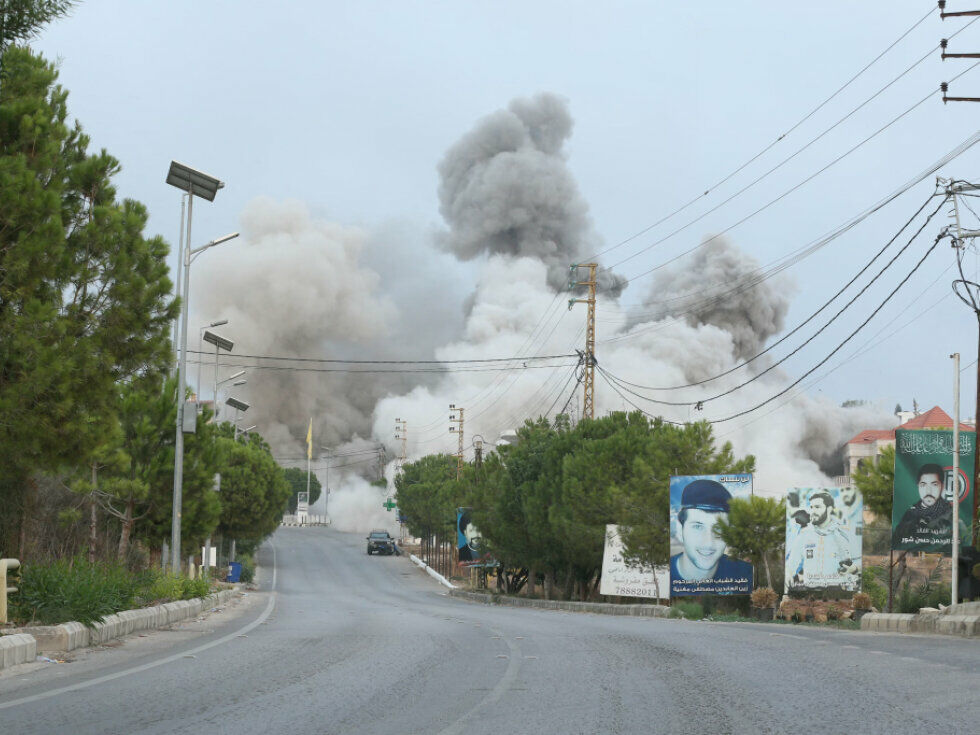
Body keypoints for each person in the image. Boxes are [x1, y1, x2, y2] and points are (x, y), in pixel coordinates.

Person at [669, 479, 752, 594]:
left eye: (718, 528)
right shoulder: (663, 576)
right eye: (698, 527)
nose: (708, 543)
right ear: (679, 530)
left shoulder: (746, 574)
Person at [785, 490, 857, 590]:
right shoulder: (804, 534)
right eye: (811, 507)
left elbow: (858, 560)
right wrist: (788, 574)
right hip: (809, 593)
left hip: (837, 592)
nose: (813, 511)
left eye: (817, 507)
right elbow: (791, 564)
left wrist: (855, 568)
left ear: (829, 509)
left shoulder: (842, 534)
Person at [894, 464, 953, 547]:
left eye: (934, 484)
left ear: (942, 486)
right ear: (918, 487)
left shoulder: (949, 512)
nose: (928, 491)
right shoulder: (911, 513)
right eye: (923, 485)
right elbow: (898, 539)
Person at [837, 485, 863, 561]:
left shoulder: (859, 511)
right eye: (842, 490)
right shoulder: (841, 512)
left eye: (848, 489)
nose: (845, 494)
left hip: (858, 559)